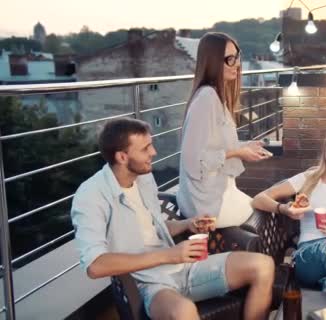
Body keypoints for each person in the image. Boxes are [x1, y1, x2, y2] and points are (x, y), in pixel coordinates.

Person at [71, 118, 274, 320]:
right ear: (122, 157)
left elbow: (154, 228)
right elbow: (95, 266)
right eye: (145, 148)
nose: (154, 153)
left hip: (183, 268)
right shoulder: (92, 195)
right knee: (182, 311)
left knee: (263, 265)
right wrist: (170, 255)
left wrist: (188, 224)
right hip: (149, 283)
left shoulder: (143, 179)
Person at [251, 124, 326, 294]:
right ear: (325, 147)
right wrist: (284, 209)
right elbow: (259, 199)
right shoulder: (309, 177)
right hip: (310, 255)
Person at [177, 32, 271, 227]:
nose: (237, 64)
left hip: (219, 192)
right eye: (229, 59)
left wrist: (246, 146)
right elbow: (194, 160)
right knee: (265, 213)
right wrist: (238, 152)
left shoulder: (215, 96)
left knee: (266, 207)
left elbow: (213, 145)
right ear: (212, 62)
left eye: (237, 57)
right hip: (207, 203)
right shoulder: (207, 98)